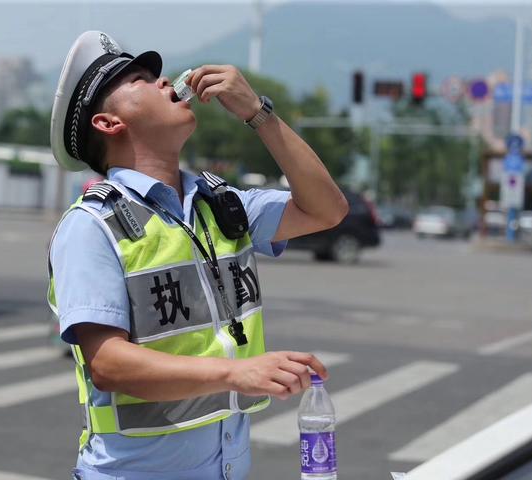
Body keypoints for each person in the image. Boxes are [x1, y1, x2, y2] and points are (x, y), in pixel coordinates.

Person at [48, 31, 349, 480]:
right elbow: (109, 363)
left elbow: (327, 209)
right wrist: (235, 374)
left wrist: (258, 113)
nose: (165, 81)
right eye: (140, 79)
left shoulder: (219, 203)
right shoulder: (92, 226)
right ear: (108, 123)